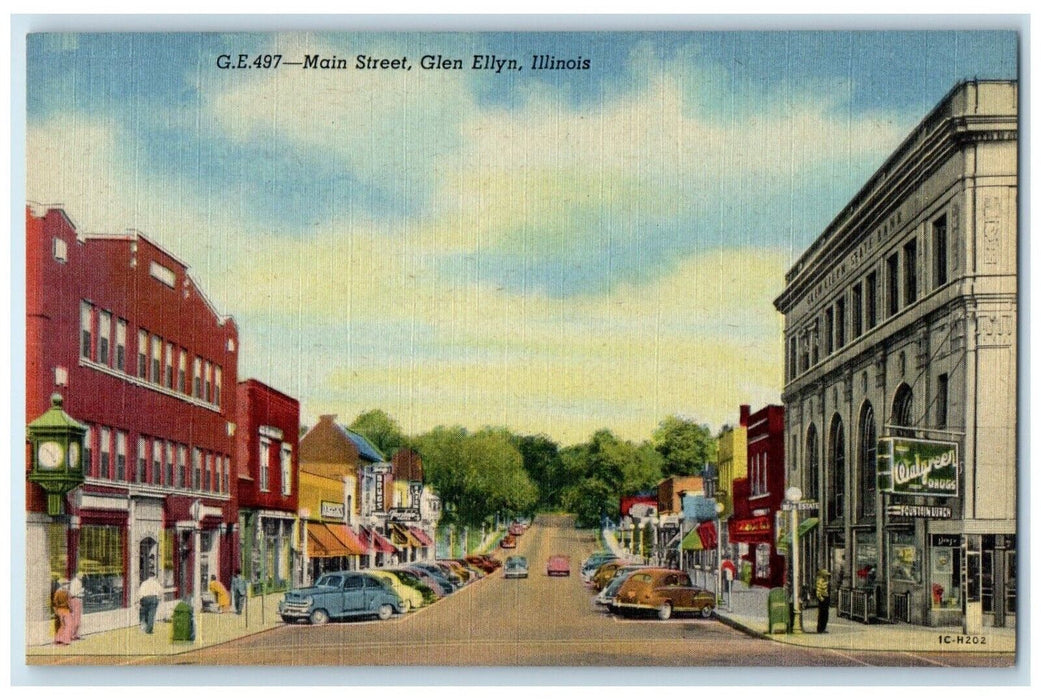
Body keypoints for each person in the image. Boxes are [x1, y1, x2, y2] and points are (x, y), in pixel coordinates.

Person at [68, 572, 85, 640]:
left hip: (79, 599)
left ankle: (76, 634)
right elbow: (72, 593)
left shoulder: (78, 581)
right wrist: (80, 591)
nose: (82, 577)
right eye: (81, 575)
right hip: (76, 599)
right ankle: (72, 635)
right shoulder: (74, 582)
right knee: (75, 618)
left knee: (78, 618)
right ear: (77, 575)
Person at [815, 568, 832, 633]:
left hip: (826, 597)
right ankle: (820, 629)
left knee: (825, 614)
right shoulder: (820, 581)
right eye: (826, 575)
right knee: (822, 614)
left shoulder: (825, 581)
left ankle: (823, 628)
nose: (827, 576)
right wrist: (822, 599)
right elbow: (818, 592)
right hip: (823, 598)